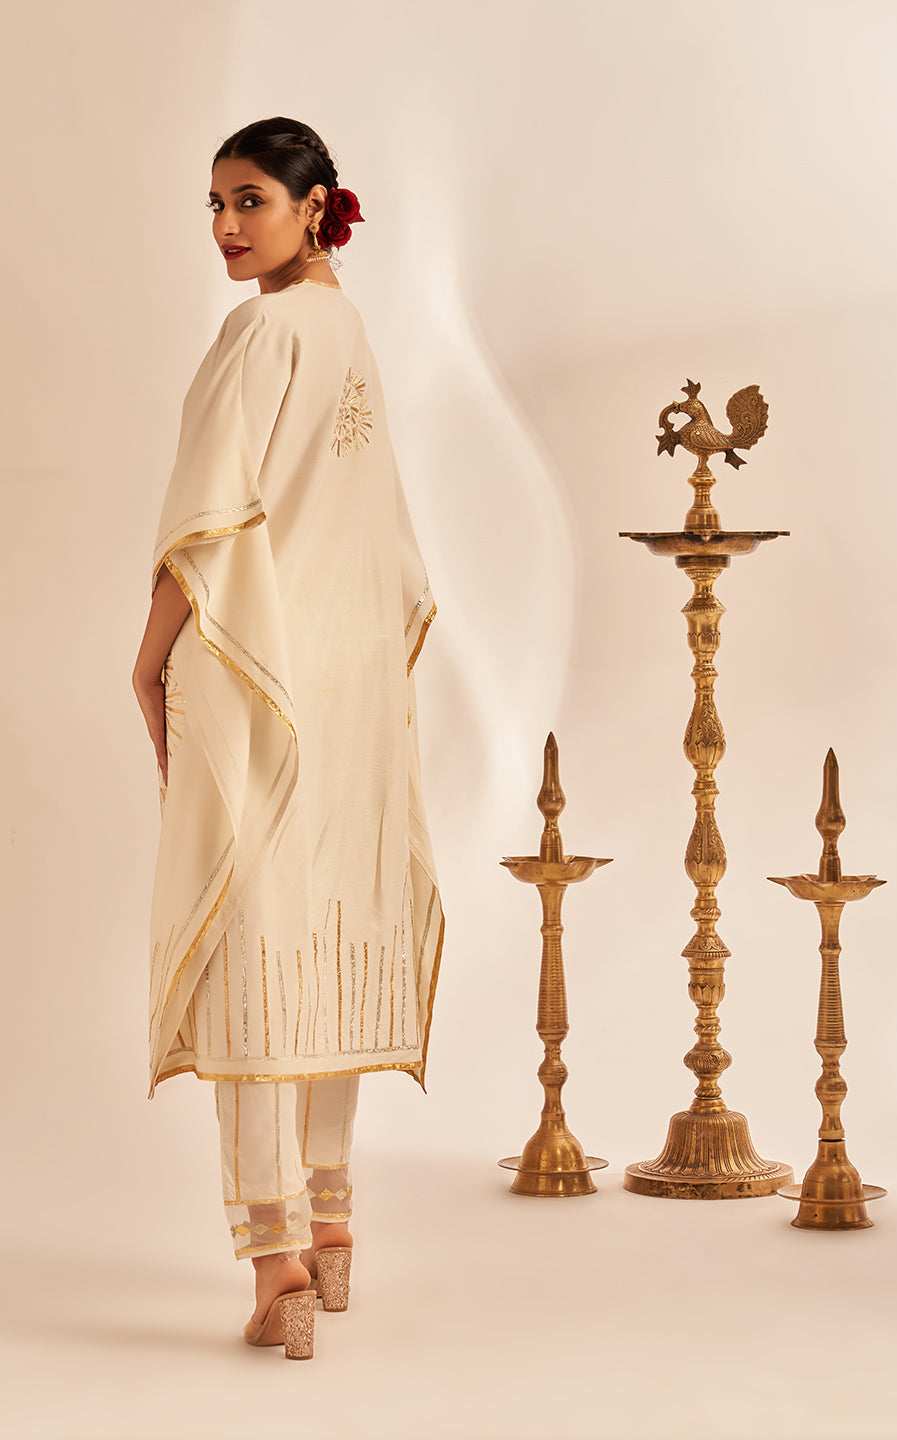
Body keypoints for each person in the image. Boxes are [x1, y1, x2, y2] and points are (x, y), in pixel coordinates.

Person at [132, 117, 445, 1357]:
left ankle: (276, 1270)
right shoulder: (346, 328)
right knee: (319, 924)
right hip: (349, 680)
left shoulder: (261, 332)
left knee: (252, 941)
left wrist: (148, 655)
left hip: (256, 673)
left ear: (317, 206)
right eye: (213, 204)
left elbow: (208, 519)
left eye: (250, 200)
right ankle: (333, 1225)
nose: (225, 227)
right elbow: (389, 544)